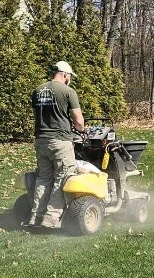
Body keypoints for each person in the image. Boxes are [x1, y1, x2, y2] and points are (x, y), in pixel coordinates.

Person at [26, 61, 86, 228]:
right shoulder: (68, 91)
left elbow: (37, 115)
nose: (70, 80)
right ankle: (51, 219)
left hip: (41, 140)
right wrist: (82, 129)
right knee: (63, 178)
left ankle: (35, 217)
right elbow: (79, 121)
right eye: (70, 77)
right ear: (65, 74)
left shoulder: (37, 91)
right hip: (60, 141)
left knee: (43, 178)